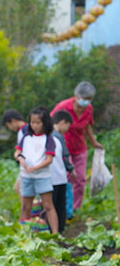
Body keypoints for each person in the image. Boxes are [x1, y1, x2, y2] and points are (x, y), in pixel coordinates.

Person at [51, 81, 105, 213]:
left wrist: (93, 141)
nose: (85, 103)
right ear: (76, 96)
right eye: (83, 99)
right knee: (67, 178)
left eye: (88, 100)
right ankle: (65, 208)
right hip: (64, 148)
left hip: (80, 147)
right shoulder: (63, 106)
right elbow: (51, 123)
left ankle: (76, 209)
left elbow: (87, 125)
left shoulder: (89, 109)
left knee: (80, 179)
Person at [15, 107, 58, 233]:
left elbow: (49, 159)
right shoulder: (26, 137)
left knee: (48, 206)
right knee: (25, 206)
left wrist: (34, 168)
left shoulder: (48, 138)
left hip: (42, 176)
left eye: (38, 123)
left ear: (45, 123)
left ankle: (55, 233)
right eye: (32, 122)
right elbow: (17, 152)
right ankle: (24, 232)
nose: (34, 125)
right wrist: (21, 159)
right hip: (27, 176)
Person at [50, 110, 74, 233]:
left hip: (49, 177)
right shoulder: (58, 136)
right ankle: (59, 229)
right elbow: (64, 156)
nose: (67, 130)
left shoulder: (47, 135)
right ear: (63, 122)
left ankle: (52, 230)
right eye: (67, 126)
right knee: (59, 204)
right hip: (59, 176)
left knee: (51, 204)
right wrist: (71, 168)